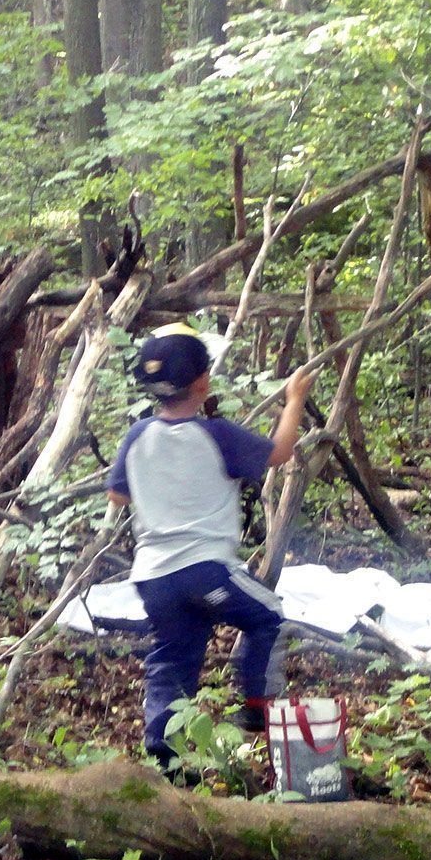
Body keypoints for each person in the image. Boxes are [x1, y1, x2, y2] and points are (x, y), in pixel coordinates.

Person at [106, 324, 316, 773]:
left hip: (152, 577)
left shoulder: (136, 435)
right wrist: (294, 399)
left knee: (172, 660)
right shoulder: (216, 434)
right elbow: (279, 453)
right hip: (204, 569)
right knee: (269, 616)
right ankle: (257, 708)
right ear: (203, 383)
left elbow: (118, 496)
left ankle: (165, 762)